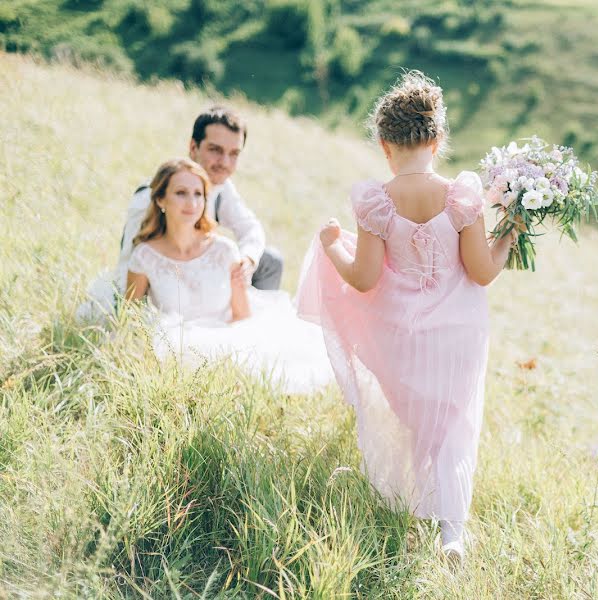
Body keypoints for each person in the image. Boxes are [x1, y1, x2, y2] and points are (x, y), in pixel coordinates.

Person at [295, 71, 517, 563]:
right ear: (438, 140)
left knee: (418, 420)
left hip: (401, 335)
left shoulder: (376, 201)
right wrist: (508, 237)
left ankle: (413, 505)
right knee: (455, 425)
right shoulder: (462, 196)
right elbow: (481, 272)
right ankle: (451, 533)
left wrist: (332, 247)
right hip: (458, 333)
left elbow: (364, 278)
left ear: (383, 144)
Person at [126, 158, 333, 395]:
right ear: (161, 199)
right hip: (173, 346)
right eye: (181, 193)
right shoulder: (145, 255)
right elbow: (130, 315)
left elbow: (242, 315)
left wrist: (218, 348)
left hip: (226, 338)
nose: (192, 203)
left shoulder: (223, 250)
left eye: (199, 194)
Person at [77, 106, 282, 322]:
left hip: (204, 274)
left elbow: (250, 227)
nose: (224, 163)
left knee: (270, 261)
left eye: (234, 154)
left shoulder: (222, 187)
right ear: (193, 147)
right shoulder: (149, 198)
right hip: (163, 286)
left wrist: (247, 260)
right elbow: (131, 261)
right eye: (215, 150)